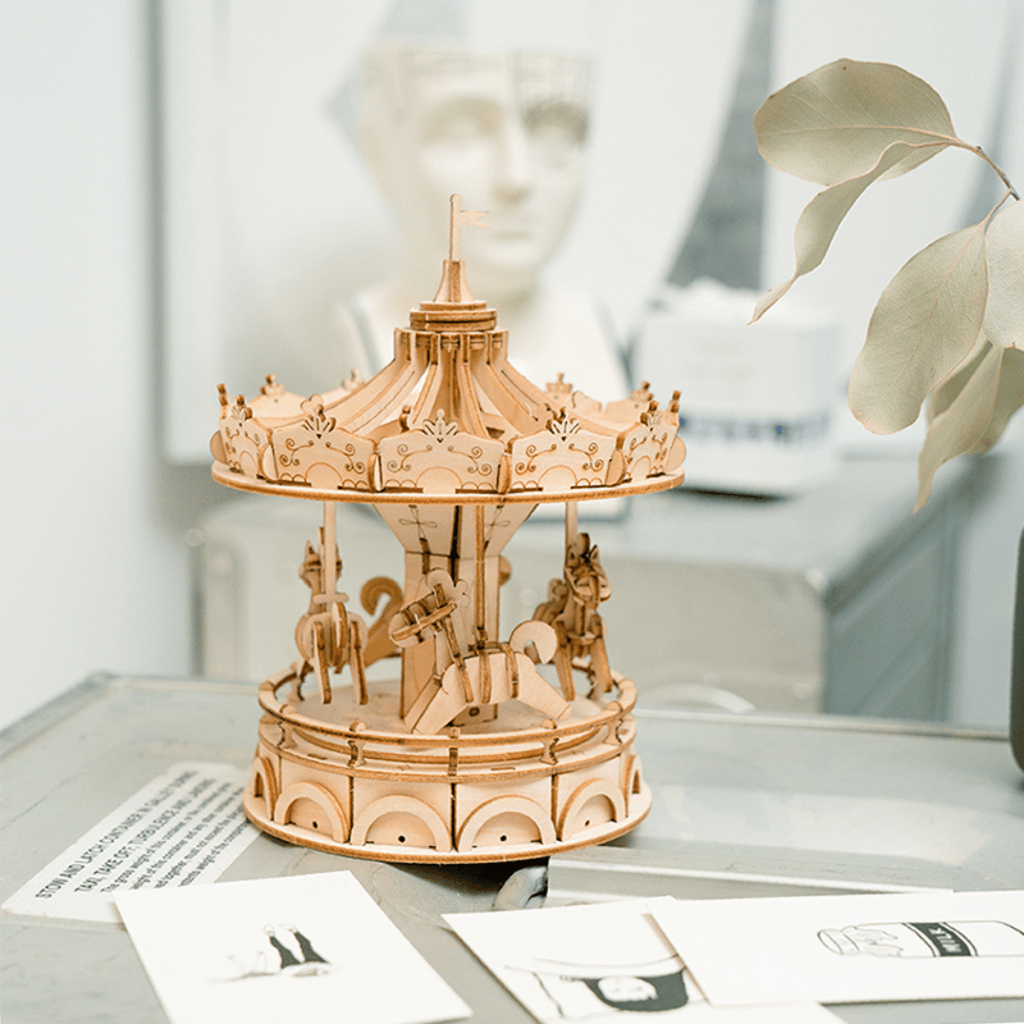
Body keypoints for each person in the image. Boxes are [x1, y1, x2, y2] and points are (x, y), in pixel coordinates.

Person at [331, 42, 629, 402]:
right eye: (461, 135)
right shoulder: (369, 327)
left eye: (557, 136)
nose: (517, 177)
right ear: (378, 153)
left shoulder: (587, 321)